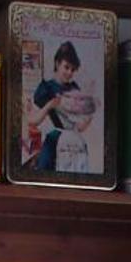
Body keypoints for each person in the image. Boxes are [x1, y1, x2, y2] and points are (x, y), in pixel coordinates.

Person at [25, 40, 95, 174]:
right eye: (66, 67)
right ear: (57, 64)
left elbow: (79, 126)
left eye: (72, 70)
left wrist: (88, 118)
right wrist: (50, 105)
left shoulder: (74, 88)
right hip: (55, 138)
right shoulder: (46, 88)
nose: (69, 72)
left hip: (74, 140)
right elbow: (34, 120)